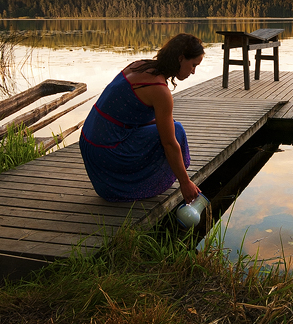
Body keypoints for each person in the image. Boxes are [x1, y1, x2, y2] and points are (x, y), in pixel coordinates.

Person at [79, 33, 205, 204]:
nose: (193, 71)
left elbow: (125, 114)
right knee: (177, 132)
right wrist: (185, 182)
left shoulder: (139, 65)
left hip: (90, 145)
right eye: (193, 65)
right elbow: (169, 143)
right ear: (181, 59)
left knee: (171, 126)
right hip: (108, 153)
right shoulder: (159, 89)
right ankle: (139, 185)